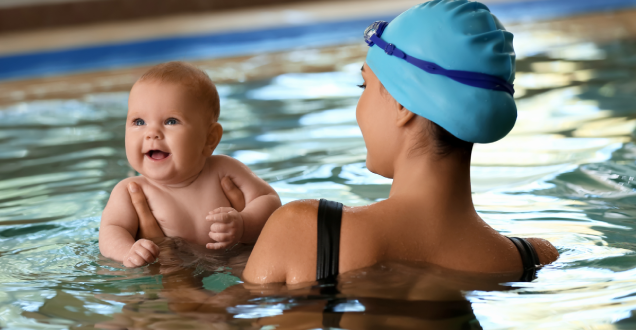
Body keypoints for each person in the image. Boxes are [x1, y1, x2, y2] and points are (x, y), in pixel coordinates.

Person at [128, 0, 559, 283]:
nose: (359, 109)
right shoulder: (533, 259)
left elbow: (197, 324)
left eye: (364, 87)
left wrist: (172, 259)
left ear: (402, 105)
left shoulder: (305, 233)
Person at [98, 62, 281, 268]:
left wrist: (244, 224)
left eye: (171, 121)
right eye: (139, 122)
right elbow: (111, 231)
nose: (152, 133)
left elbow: (269, 200)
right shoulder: (131, 191)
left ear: (209, 138)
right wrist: (128, 252)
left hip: (235, 262)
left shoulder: (224, 171)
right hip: (172, 272)